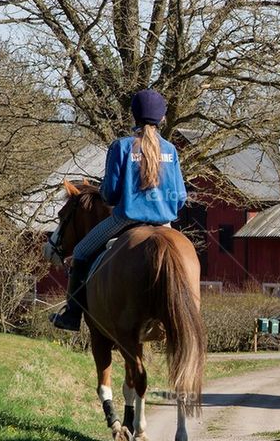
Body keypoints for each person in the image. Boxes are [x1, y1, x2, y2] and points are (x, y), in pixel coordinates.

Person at [51, 89, 187, 331]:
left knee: (81, 252)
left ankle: (71, 316)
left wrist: (111, 194)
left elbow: (110, 194)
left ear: (133, 115)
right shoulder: (171, 150)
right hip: (164, 223)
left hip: (126, 220)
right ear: (162, 118)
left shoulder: (122, 147)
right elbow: (180, 197)